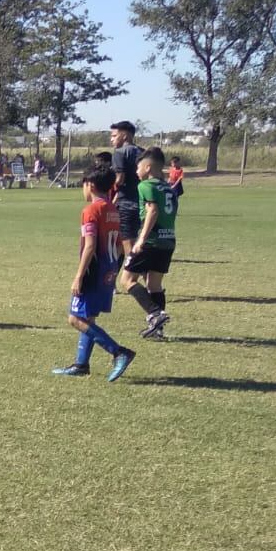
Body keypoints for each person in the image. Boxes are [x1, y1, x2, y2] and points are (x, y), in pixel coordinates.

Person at [53, 167, 137, 381]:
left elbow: (90, 246)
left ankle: (119, 352)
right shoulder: (112, 209)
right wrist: (113, 269)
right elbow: (118, 244)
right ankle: (81, 365)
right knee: (88, 318)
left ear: (89, 185)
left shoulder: (91, 210)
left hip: (93, 270)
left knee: (75, 318)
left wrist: (79, 276)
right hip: (108, 270)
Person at [119, 147, 178, 340]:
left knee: (127, 280)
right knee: (154, 285)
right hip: (168, 240)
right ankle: (157, 330)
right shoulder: (168, 187)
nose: (136, 171)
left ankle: (155, 313)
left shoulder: (145, 186)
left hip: (150, 241)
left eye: (138, 167)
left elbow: (152, 211)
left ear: (148, 167)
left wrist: (141, 240)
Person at [109, 121, 143, 260]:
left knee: (128, 247)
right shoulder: (142, 152)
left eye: (114, 135)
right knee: (124, 244)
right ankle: (110, 278)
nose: (111, 139)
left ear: (125, 136)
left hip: (126, 204)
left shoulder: (119, 153)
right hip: (141, 203)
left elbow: (120, 179)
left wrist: (106, 185)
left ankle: (146, 280)